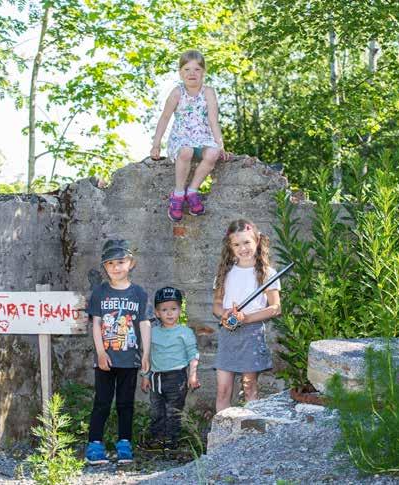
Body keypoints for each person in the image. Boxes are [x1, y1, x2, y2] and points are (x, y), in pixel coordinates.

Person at [85, 239, 152, 465]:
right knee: (102, 402)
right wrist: (101, 353)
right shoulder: (100, 293)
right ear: (105, 267)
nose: (116, 267)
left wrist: (145, 353)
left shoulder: (139, 294)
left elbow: (144, 323)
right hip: (106, 359)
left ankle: (124, 443)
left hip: (129, 359)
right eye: (110, 263)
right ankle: (94, 444)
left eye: (121, 262)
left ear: (131, 263)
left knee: (126, 403)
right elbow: (96, 324)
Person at [150, 49, 231, 222]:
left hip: (203, 138)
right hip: (181, 137)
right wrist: (156, 144)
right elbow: (165, 117)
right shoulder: (177, 92)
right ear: (180, 73)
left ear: (203, 72)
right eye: (187, 69)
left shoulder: (208, 92)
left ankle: (192, 190)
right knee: (185, 151)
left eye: (196, 69)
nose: (192, 73)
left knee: (213, 152)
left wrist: (220, 144)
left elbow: (213, 120)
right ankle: (178, 194)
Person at [212, 219, 282, 412]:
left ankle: (251, 432)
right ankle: (223, 436)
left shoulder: (268, 273)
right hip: (228, 334)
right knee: (223, 390)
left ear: (257, 241)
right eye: (237, 244)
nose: (242, 248)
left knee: (249, 386)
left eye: (246, 242)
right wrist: (224, 314)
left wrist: (247, 318)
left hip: (251, 334)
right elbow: (217, 305)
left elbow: (276, 308)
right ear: (230, 246)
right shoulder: (224, 273)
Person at [141, 287, 200, 449]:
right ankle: (156, 439)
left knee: (173, 411)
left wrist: (192, 375)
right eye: (164, 310)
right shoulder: (152, 332)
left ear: (180, 310)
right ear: (157, 313)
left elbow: (193, 354)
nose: (169, 313)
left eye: (173, 309)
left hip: (177, 377)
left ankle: (171, 441)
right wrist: (145, 376)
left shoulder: (185, 332)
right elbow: (148, 355)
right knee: (156, 411)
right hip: (156, 377)